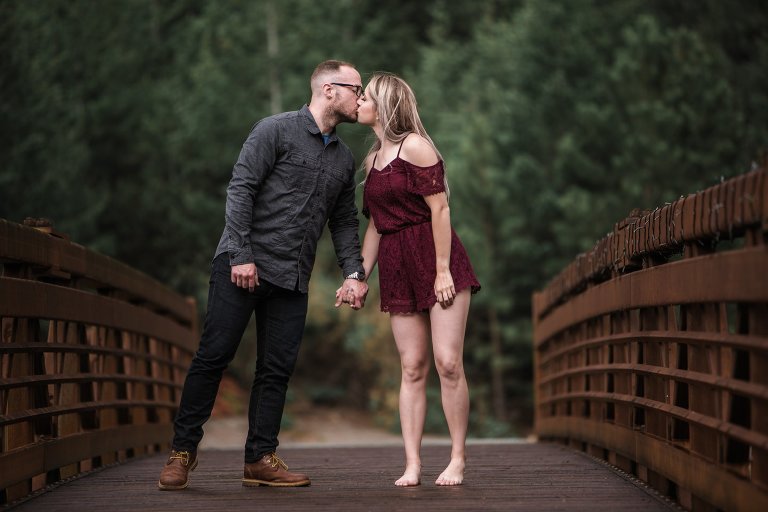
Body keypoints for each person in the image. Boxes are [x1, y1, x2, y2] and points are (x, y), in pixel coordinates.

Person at [158, 60, 369, 491]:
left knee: (276, 369)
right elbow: (241, 188)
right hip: (243, 266)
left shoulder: (344, 159)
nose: (361, 97)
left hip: (292, 278)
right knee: (214, 356)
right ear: (329, 90)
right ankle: (182, 452)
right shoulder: (274, 130)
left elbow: (344, 222)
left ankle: (259, 458)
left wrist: (354, 272)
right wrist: (240, 253)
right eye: (356, 88)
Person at [337, 72, 480, 486]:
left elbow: (440, 210)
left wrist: (441, 270)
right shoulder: (372, 159)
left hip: (436, 258)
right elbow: (377, 227)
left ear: (384, 104)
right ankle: (413, 464)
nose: (358, 102)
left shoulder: (415, 147)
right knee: (412, 366)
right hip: (397, 264)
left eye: (365, 96)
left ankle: (457, 458)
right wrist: (357, 277)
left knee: (447, 362)